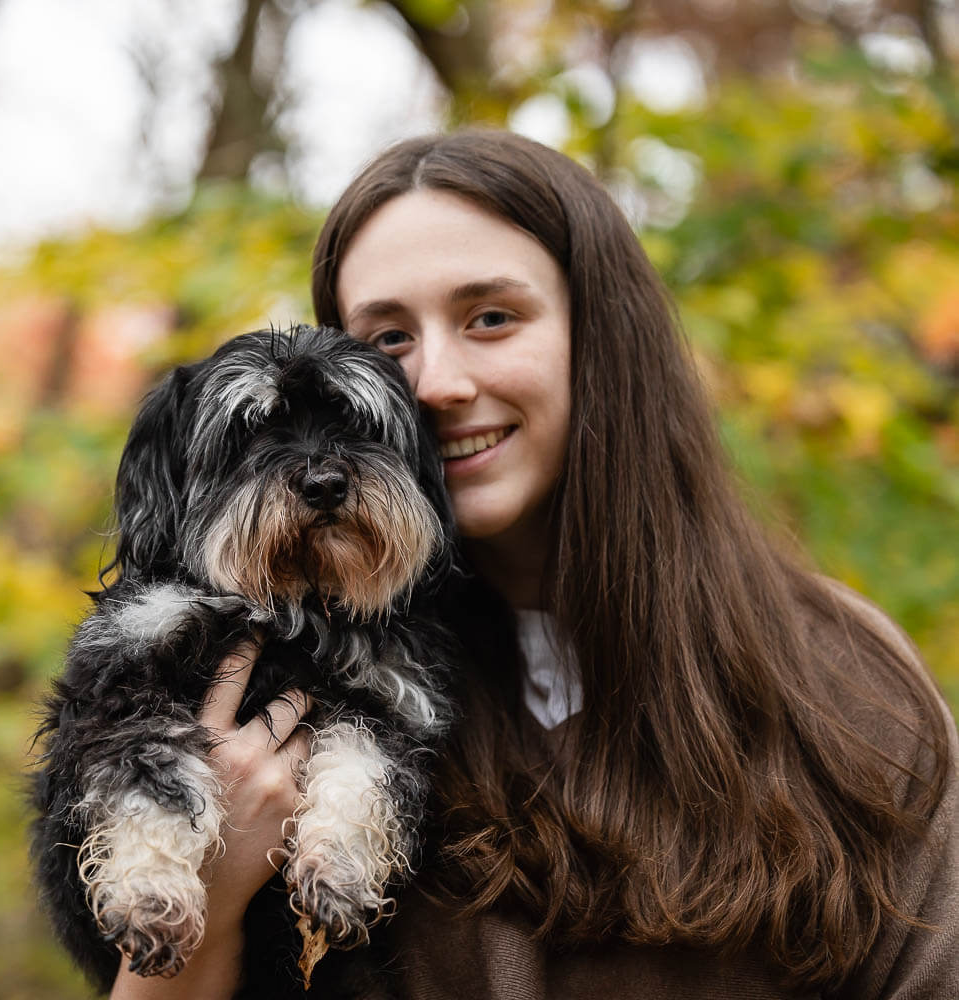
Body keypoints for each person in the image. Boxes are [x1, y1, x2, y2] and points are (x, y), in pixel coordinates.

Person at [107, 129, 959, 999]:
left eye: (491, 318)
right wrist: (204, 901)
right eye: (390, 338)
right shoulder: (281, 705)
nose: (436, 382)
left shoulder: (842, 675)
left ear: (602, 337)